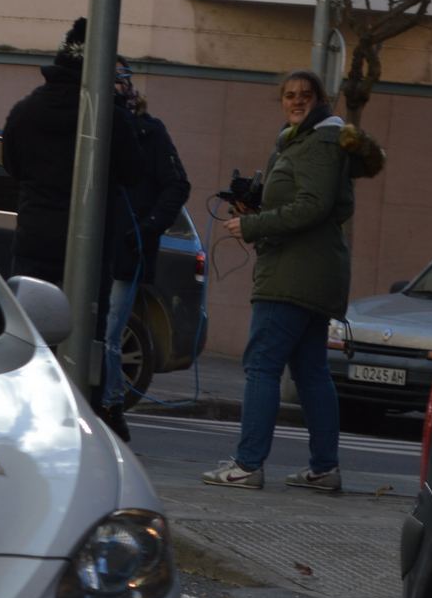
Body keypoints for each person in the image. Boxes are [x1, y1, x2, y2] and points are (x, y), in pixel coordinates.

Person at [202, 70, 357, 493]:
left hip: (293, 274)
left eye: (305, 95)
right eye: (289, 95)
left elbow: (313, 205)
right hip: (311, 272)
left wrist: (254, 225)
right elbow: (307, 202)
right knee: (310, 371)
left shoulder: (319, 142)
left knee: (262, 366)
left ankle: (248, 465)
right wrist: (255, 209)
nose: (296, 101)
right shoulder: (302, 140)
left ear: (320, 99)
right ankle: (323, 469)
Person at [2, 17, 144, 437]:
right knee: (86, 338)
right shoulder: (108, 117)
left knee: (31, 336)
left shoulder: (26, 111)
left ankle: (26, 418)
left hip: (35, 236)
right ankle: (81, 422)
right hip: (88, 244)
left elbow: (12, 166)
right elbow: (135, 171)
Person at [102, 61, 190, 438]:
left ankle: (110, 405)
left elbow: (177, 184)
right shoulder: (93, 124)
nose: (117, 86)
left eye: (121, 80)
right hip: (94, 248)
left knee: (110, 331)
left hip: (127, 248)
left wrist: (147, 226)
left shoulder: (149, 132)